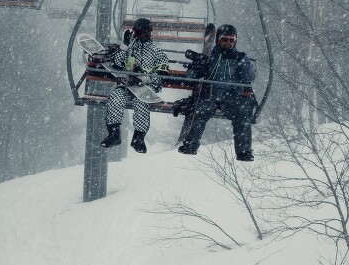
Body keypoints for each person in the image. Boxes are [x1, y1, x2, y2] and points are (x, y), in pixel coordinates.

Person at [176, 24, 257, 161]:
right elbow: (190, 77)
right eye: (225, 40)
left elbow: (249, 77)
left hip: (232, 96)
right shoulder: (210, 57)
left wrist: (242, 60)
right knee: (200, 111)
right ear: (218, 40)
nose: (228, 44)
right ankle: (191, 145)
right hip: (211, 94)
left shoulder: (239, 59)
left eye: (232, 40)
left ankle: (244, 152)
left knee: (242, 115)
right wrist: (198, 66)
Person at [99, 17, 169, 153]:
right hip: (128, 86)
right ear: (134, 33)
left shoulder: (157, 52)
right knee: (115, 98)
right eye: (139, 33)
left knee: (141, 103)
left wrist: (146, 79)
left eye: (146, 33)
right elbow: (118, 63)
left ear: (150, 33)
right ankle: (114, 134)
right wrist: (125, 45)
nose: (142, 36)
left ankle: (138, 138)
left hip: (146, 88)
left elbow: (162, 75)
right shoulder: (130, 50)